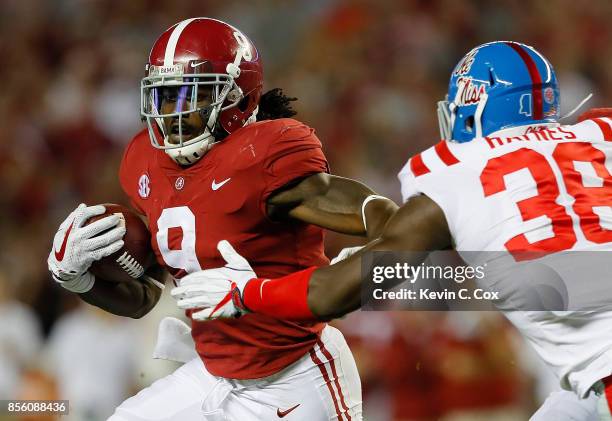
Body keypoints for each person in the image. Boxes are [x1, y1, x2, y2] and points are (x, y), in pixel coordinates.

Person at [178, 41, 612, 420]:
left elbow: (338, 293)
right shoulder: (601, 132)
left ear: (470, 109)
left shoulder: (455, 176)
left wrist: (246, 294)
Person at [47, 17, 399, 421]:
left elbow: (388, 221)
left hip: (295, 376)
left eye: (187, 98)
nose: (171, 116)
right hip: (212, 374)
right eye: (164, 98)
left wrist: (359, 270)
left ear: (237, 99)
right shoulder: (144, 164)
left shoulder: (262, 158)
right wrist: (80, 281)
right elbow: (146, 298)